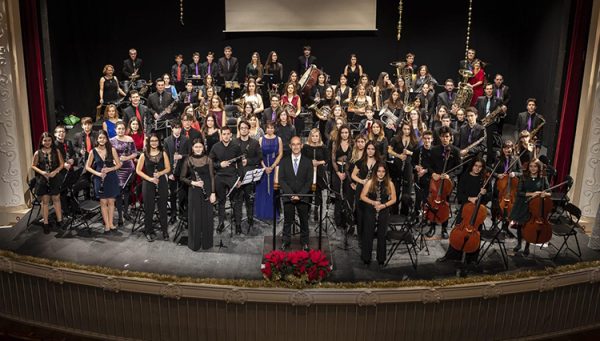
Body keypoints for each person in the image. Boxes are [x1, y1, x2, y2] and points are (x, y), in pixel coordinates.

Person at [437, 157, 490, 264]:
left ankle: (471, 258)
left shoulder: (484, 179)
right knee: (458, 233)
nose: (477, 168)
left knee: (475, 234)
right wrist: (470, 198)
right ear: (472, 166)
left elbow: (490, 197)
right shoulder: (465, 177)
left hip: (478, 213)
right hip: (465, 210)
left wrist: (485, 194)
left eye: (480, 167)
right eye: (476, 166)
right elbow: (460, 195)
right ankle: (452, 255)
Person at [180, 138, 216, 250]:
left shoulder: (208, 159)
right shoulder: (188, 160)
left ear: (203, 147)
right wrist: (193, 182)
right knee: (195, 217)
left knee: (207, 217)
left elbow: (212, 177)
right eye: (196, 147)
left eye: (200, 147)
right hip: (194, 190)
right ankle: (194, 244)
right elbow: (182, 177)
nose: (198, 149)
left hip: (208, 190)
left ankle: (207, 243)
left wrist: (213, 193)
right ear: (192, 148)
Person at [509, 158, 550, 256]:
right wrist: (532, 193)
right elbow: (519, 192)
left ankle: (527, 246)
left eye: (535, 166)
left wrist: (545, 194)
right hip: (523, 203)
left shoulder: (543, 178)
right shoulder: (524, 177)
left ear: (539, 167)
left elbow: (549, 191)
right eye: (531, 166)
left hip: (535, 207)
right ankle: (519, 244)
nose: (533, 168)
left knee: (529, 226)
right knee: (520, 225)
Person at [426, 126, 461, 239]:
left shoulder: (455, 151)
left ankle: (444, 228)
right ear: (440, 137)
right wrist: (433, 174)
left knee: (445, 204)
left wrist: (449, 175)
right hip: (435, 181)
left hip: (447, 183)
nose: (445, 139)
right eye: (442, 136)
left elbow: (459, 168)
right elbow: (429, 165)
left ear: (450, 137)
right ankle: (432, 225)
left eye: (447, 136)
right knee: (433, 203)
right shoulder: (434, 149)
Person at [279, 136, 313, 250]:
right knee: (288, 220)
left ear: (301, 146)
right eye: (293, 144)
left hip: (303, 196)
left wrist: (299, 195)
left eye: (298, 144)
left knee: (304, 220)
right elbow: (281, 180)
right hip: (288, 196)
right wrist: (290, 194)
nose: (296, 146)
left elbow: (309, 182)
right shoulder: (284, 161)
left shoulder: (308, 162)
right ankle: (285, 241)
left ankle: (304, 242)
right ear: (290, 146)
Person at [136, 133, 171, 242]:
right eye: (152, 141)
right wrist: (150, 178)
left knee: (163, 208)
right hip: (148, 183)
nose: (154, 143)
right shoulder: (144, 155)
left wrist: (160, 173)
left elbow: (168, 168)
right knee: (149, 208)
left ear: (159, 142)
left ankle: (165, 231)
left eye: (156, 140)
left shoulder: (163, 153)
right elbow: (138, 170)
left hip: (161, 182)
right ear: (148, 142)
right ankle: (148, 231)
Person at [360, 162, 397, 266]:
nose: (381, 174)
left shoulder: (390, 183)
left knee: (382, 235)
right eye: (379, 171)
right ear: (375, 172)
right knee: (368, 234)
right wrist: (373, 202)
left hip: (383, 209)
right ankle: (366, 258)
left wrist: (383, 205)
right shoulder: (370, 182)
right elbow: (362, 196)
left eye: (383, 171)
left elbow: (394, 199)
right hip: (370, 209)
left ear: (386, 172)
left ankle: (381, 259)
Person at [209, 126, 244, 234]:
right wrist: (220, 164)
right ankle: (221, 223)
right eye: (224, 134)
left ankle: (238, 224)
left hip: (232, 176)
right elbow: (210, 163)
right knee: (221, 201)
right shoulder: (215, 147)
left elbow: (239, 163)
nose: (226, 136)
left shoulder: (236, 146)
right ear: (221, 135)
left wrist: (240, 178)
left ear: (231, 135)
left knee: (237, 202)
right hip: (219, 176)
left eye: (228, 134)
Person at [86, 130, 122, 233]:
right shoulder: (93, 151)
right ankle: (106, 224)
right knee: (103, 202)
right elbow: (87, 167)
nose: (102, 140)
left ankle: (111, 223)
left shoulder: (112, 150)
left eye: (104, 138)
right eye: (100, 138)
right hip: (99, 178)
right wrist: (98, 174)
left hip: (111, 177)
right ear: (97, 139)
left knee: (111, 202)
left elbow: (119, 165)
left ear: (107, 139)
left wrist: (110, 169)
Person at [31, 132, 64, 234]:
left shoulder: (56, 151)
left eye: (49, 140)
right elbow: (33, 165)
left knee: (56, 199)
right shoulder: (38, 153)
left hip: (54, 178)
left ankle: (60, 221)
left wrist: (55, 171)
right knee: (45, 202)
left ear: (52, 141)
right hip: (43, 179)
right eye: (45, 140)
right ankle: (45, 223)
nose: (47, 142)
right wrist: (42, 172)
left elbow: (62, 164)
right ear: (41, 141)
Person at [233, 120, 263, 230]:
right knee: (238, 202)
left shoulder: (255, 143)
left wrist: (248, 161)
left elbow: (259, 157)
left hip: (250, 176)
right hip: (237, 176)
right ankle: (237, 224)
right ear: (239, 130)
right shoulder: (234, 142)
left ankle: (250, 218)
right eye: (242, 128)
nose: (244, 130)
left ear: (249, 129)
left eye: (246, 128)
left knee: (250, 199)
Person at [492, 139, 522, 237]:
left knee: (508, 207)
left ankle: (505, 227)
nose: (507, 150)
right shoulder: (498, 158)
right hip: (500, 186)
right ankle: (494, 223)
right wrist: (497, 175)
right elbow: (493, 171)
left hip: (510, 188)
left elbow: (521, 172)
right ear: (503, 149)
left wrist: (515, 173)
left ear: (512, 148)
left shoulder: (516, 159)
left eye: (509, 148)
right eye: (505, 148)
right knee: (495, 205)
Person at [351, 141, 380, 243]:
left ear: (375, 150)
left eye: (372, 149)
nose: (370, 151)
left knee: (370, 213)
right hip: (361, 189)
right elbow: (353, 175)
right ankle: (360, 237)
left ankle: (369, 235)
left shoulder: (379, 162)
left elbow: (383, 176)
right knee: (360, 213)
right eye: (368, 149)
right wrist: (362, 181)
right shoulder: (360, 161)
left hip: (373, 190)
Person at [254, 122, 283, 221]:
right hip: (263, 165)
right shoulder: (261, 139)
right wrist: (265, 167)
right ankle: (262, 212)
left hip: (274, 165)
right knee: (262, 189)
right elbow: (258, 154)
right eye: (268, 128)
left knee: (273, 189)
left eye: (272, 128)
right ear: (265, 129)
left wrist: (273, 166)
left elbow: (280, 154)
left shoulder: (278, 139)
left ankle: (273, 213)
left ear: (274, 129)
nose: (270, 130)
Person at [110, 121, 137, 226]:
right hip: (117, 168)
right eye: (119, 129)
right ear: (115, 130)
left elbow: (135, 153)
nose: (121, 130)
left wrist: (127, 157)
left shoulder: (130, 139)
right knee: (118, 193)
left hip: (128, 168)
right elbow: (108, 154)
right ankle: (120, 216)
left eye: (122, 128)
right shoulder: (111, 141)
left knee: (127, 192)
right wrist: (113, 161)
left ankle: (126, 213)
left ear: (125, 129)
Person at [164, 120, 190, 224]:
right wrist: (169, 173)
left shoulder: (186, 139)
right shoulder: (167, 140)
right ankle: (174, 213)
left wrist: (181, 156)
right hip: (172, 171)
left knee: (183, 194)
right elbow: (165, 158)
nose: (177, 129)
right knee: (173, 194)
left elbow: (190, 154)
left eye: (179, 128)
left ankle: (183, 213)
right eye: (175, 127)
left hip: (183, 171)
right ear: (172, 129)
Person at [388, 122, 418, 215]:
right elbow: (389, 150)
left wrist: (409, 152)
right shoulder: (395, 138)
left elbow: (416, 154)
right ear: (402, 129)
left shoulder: (414, 140)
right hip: (397, 165)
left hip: (408, 166)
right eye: (405, 129)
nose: (406, 131)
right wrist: (398, 156)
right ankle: (394, 212)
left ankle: (405, 212)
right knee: (395, 188)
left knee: (407, 190)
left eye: (408, 129)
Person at [302, 128, 328, 221]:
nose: (315, 138)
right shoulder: (305, 147)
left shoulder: (323, 147)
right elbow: (302, 159)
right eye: (313, 136)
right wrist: (310, 163)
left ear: (319, 137)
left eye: (316, 136)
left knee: (318, 192)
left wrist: (319, 162)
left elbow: (327, 159)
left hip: (319, 172)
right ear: (310, 137)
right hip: (308, 172)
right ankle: (308, 211)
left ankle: (316, 210)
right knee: (308, 192)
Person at [331, 125, 353, 230]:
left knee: (347, 195)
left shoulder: (352, 144)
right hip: (337, 170)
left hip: (348, 171)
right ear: (340, 133)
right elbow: (333, 159)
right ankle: (338, 220)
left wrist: (346, 171)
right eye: (342, 132)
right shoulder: (335, 143)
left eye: (346, 132)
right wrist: (338, 172)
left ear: (349, 133)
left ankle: (347, 220)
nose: (344, 134)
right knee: (338, 196)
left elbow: (351, 159)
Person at [412, 130, 433, 214]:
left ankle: (428, 215)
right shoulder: (418, 150)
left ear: (432, 139)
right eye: (425, 138)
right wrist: (416, 166)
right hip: (419, 177)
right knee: (418, 197)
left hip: (430, 177)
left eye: (428, 139)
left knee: (427, 198)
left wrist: (426, 170)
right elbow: (412, 162)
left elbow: (436, 166)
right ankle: (416, 214)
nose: (426, 140)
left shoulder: (435, 150)